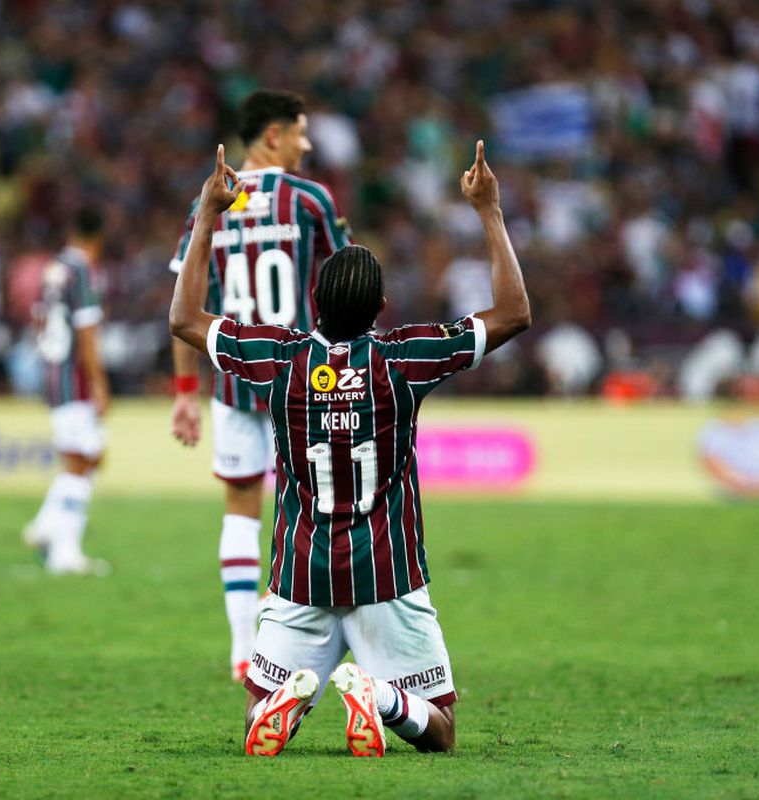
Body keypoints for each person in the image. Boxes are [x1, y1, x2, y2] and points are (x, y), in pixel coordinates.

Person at [169, 141, 530, 756]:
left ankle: (284, 703)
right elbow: (514, 313)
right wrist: (489, 211)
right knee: (440, 728)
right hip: (387, 576)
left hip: (299, 577)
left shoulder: (278, 357)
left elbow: (184, 319)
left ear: (315, 301)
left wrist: (207, 214)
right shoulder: (404, 359)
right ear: (381, 307)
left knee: (257, 708)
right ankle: (382, 698)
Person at [168, 89, 351, 682]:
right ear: (273, 135)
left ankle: (243, 648)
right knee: (315, 508)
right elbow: (349, 283)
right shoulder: (309, 198)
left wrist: (184, 391)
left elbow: (185, 302)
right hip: (303, 381)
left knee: (241, 508)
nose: (308, 144)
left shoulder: (209, 202)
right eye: (300, 131)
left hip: (232, 379)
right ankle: (308, 641)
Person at [22, 205, 112, 576]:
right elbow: (87, 331)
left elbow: (39, 318)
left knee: (90, 456)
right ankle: (65, 553)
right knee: (80, 461)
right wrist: (99, 382)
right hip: (74, 378)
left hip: (52, 371)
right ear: (98, 238)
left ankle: (45, 526)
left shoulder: (54, 269)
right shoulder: (82, 271)